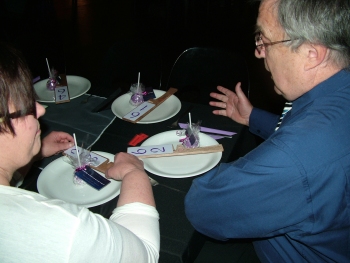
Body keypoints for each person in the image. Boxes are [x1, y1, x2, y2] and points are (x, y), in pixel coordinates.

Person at [185, 0, 350, 262]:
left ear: (311, 54)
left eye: (265, 40)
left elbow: (204, 209)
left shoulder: (295, 159)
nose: (259, 53)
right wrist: (253, 117)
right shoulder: (337, 95)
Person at [0, 42, 160, 262]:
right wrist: (134, 173)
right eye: (24, 105)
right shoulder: (63, 228)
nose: (40, 110)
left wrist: (34, 150)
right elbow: (145, 254)